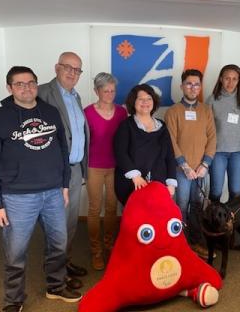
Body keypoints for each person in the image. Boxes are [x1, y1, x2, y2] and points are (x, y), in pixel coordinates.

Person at [0, 66, 82, 312]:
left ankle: (56, 286)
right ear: (9, 88)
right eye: (20, 84)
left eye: (31, 83)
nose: (26, 88)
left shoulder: (50, 112)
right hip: (17, 197)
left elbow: (62, 150)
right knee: (15, 252)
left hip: (53, 193)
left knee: (58, 244)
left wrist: (64, 184)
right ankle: (14, 299)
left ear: (37, 85)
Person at [38, 52, 89, 288]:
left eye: (77, 69)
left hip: (75, 169)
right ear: (56, 67)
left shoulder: (75, 96)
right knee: (56, 224)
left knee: (69, 223)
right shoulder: (41, 93)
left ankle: (64, 262)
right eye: (67, 67)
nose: (72, 72)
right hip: (53, 171)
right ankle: (55, 275)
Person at [165, 69, 216, 259]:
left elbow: (212, 138)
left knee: (197, 205)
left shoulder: (206, 110)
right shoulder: (173, 111)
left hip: (201, 170)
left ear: (200, 87)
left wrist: (205, 164)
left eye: (196, 84)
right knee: (181, 205)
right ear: (182, 86)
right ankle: (181, 243)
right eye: (189, 84)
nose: (193, 87)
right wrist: (184, 165)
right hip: (182, 170)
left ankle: (196, 240)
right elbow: (170, 141)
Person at [84, 72, 127, 271]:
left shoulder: (121, 113)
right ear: (96, 91)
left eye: (112, 91)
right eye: (105, 90)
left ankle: (110, 246)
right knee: (94, 209)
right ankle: (96, 251)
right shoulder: (87, 113)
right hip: (94, 166)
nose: (109, 94)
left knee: (111, 208)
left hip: (115, 166)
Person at [114, 84, 177, 205]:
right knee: (134, 221)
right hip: (132, 185)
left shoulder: (162, 127)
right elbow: (120, 153)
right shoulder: (126, 126)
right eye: (141, 99)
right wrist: (135, 176)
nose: (145, 102)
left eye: (149, 98)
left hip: (159, 186)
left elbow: (170, 155)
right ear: (133, 102)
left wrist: (171, 183)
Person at [206, 64, 240, 202]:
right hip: (217, 152)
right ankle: (214, 222)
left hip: (238, 151)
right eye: (227, 78)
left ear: (239, 80)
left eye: (234, 79)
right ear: (220, 79)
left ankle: (233, 223)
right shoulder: (212, 99)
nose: (230, 83)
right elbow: (207, 128)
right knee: (216, 190)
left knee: (236, 191)